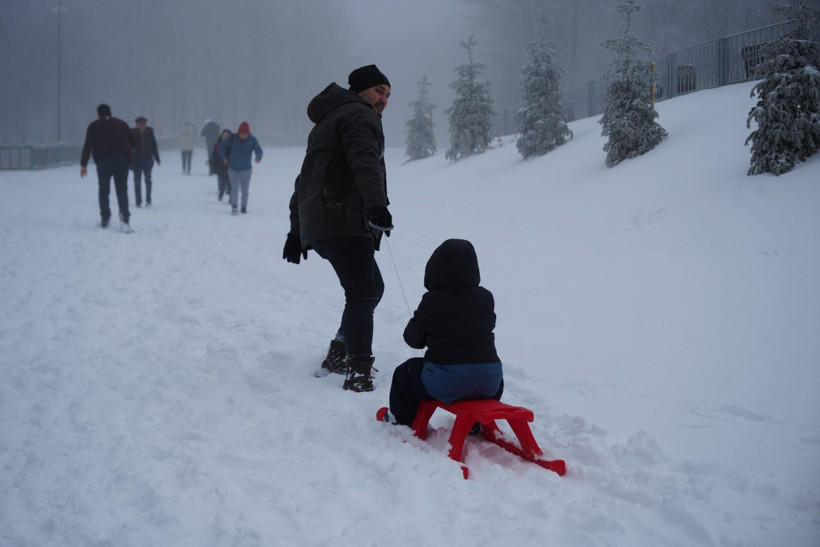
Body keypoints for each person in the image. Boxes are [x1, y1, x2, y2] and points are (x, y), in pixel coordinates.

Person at [282, 64, 393, 392]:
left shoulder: (327, 122)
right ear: (360, 90)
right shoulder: (359, 116)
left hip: (325, 225)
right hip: (346, 220)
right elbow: (365, 161)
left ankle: (339, 353)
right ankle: (357, 372)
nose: (384, 99)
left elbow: (305, 181)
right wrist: (376, 205)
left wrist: (296, 230)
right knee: (362, 293)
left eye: (388, 94)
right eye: (379, 91)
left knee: (373, 287)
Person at [380, 239, 504, 426]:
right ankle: (477, 421)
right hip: (490, 383)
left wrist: (419, 321)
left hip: (446, 383)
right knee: (485, 373)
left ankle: (402, 419)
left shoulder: (433, 301)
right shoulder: (485, 298)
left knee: (404, 373)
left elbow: (414, 340)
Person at [80, 103, 137, 232]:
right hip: (121, 159)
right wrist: (128, 151)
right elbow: (134, 140)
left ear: (98, 114)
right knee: (122, 190)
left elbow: (88, 145)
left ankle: (105, 217)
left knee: (104, 190)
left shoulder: (94, 126)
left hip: (103, 161)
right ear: (110, 113)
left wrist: (83, 164)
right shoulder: (121, 123)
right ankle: (125, 220)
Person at [219, 121, 262, 215]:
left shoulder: (252, 140)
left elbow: (258, 149)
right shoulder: (232, 138)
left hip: (246, 169)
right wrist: (224, 157)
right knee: (234, 188)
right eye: (241, 134)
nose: (243, 136)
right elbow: (222, 146)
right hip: (232, 168)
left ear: (248, 133)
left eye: (245, 134)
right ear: (239, 132)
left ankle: (243, 206)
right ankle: (234, 206)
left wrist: (258, 157)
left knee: (245, 189)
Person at [131, 116, 161, 207]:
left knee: (148, 180)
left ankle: (148, 200)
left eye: (143, 124)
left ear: (146, 124)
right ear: (136, 125)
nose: (141, 126)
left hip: (147, 160)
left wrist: (157, 159)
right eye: (139, 124)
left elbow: (154, 146)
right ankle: (138, 201)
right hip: (136, 161)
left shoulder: (150, 133)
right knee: (137, 181)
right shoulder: (132, 133)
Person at [211, 129, 232, 201]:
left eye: (227, 136)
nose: (225, 137)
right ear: (221, 136)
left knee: (230, 181)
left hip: (231, 165)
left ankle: (231, 196)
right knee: (223, 180)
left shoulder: (233, 144)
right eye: (224, 136)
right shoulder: (217, 144)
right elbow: (214, 155)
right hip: (221, 165)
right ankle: (221, 192)